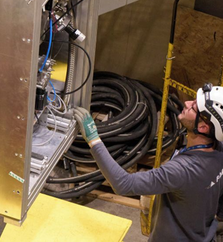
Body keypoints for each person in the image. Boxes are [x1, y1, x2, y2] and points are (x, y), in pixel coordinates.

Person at [74, 84, 223, 242]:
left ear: (203, 127)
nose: (186, 103)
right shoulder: (219, 151)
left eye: (194, 107)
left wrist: (93, 139)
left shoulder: (182, 170)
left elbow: (123, 184)